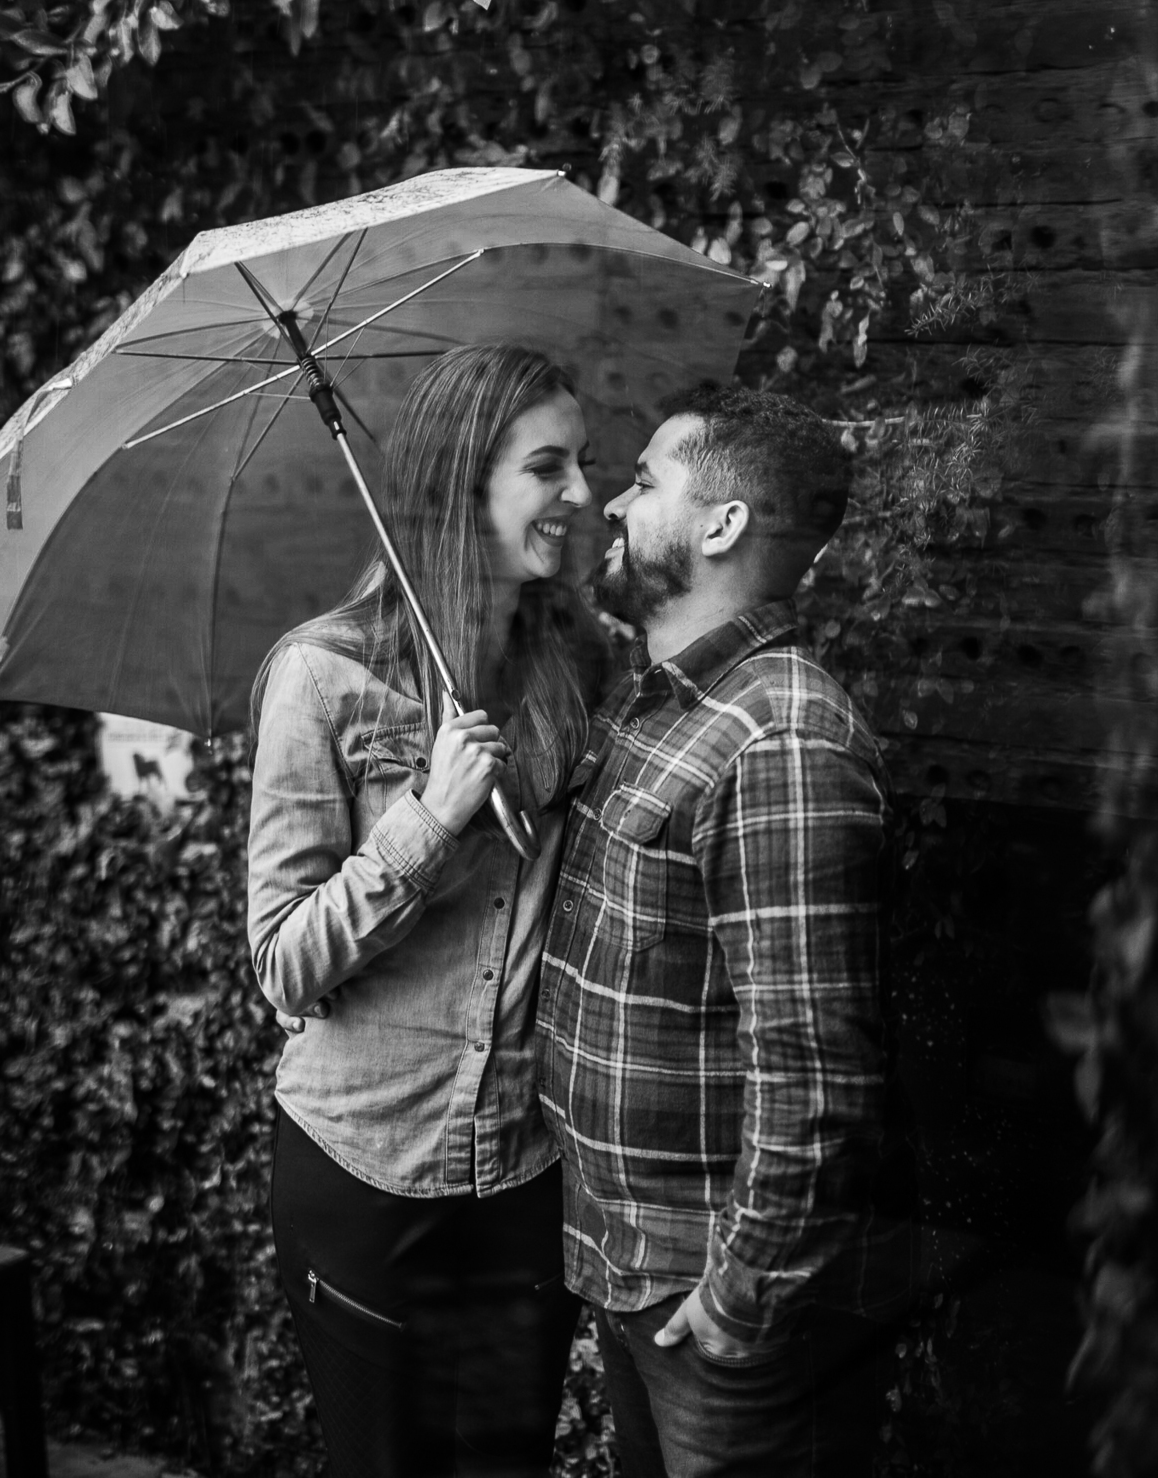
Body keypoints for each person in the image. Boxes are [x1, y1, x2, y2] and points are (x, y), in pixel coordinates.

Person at [537, 383, 916, 1478]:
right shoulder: (655, 703)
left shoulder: (781, 738)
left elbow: (815, 1076)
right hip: (629, 1265)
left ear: (723, 523)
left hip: (711, 1307)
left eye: (644, 481)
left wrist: (740, 1301)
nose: (612, 504)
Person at [247, 343, 606, 1478]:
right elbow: (283, 964)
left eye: (584, 465)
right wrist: (428, 820)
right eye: (549, 467)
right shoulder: (322, 676)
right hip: (364, 1175)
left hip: (522, 1172)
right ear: (466, 485)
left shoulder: (581, 666)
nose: (583, 495)